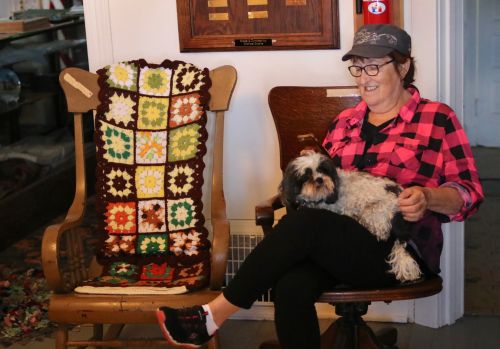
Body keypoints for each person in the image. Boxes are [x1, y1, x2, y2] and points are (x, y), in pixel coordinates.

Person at [156, 24, 484, 349]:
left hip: (400, 250)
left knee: (309, 224)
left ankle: (213, 315)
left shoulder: (437, 119)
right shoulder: (345, 123)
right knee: (290, 286)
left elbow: (469, 194)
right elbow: (328, 194)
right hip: (337, 243)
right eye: (356, 67)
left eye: (373, 66)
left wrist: (428, 197)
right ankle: (213, 318)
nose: (362, 77)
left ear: (403, 66)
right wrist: (308, 175)